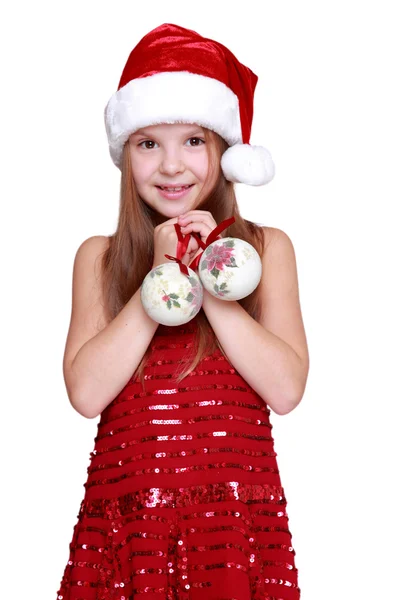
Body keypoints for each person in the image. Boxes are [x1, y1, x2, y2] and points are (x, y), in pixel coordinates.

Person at [56, 22, 309, 600]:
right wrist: (161, 279)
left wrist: (211, 285)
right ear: (126, 156)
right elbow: (86, 394)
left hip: (233, 524)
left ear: (224, 152)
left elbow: (288, 389)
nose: (172, 166)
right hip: (131, 523)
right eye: (149, 144)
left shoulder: (269, 250)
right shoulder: (99, 259)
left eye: (193, 141)